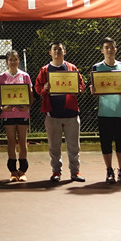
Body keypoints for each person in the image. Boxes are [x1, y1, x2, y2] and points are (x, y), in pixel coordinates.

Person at [34, 41, 86, 183]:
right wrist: (44, 88)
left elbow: (81, 84)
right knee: (54, 147)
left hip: (71, 113)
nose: (57, 52)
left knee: (74, 146)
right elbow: (37, 88)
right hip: (52, 114)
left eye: (60, 49)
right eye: (54, 49)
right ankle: (56, 171)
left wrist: (77, 90)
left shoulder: (71, 68)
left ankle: (75, 172)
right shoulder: (45, 70)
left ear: (65, 52)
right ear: (50, 52)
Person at [90, 37, 121, 184]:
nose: (109, 50)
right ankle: (109, 171)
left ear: (116, 49)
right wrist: (93, 91)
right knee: (106, 143)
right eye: (106, 47)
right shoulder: (97, 67)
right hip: (104, 112)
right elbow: (94, 88)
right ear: (102, 50)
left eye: (112, 47)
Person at [0, 50, 33, 182]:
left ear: (19, 61)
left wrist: (28, 106)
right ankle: (13, 171)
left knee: (22, 141)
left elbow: (30, 94)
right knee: (11, 141)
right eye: (10, 60)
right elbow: (0, 95)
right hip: (8, 113)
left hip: (22, 113)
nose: (13, 62)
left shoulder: (25, 76)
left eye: (15, 59)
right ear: (6, 61)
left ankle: (22, 171)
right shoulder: (2, 77)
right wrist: (2, 107)